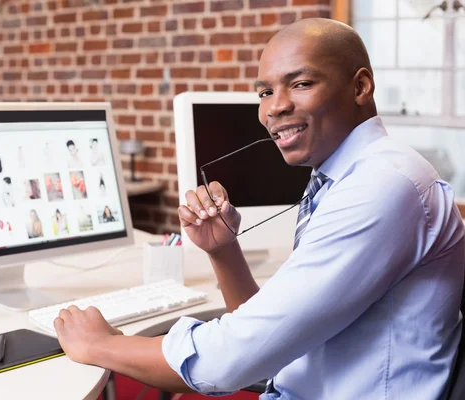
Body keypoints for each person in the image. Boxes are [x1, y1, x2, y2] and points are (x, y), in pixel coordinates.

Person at [51, 18, 465, 400]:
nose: (274, 107)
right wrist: (223, 250)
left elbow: (227, 362)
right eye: (265, 91)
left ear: (360, 87)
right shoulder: (347, 175)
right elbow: (273, 341)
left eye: (300, 83)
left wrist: (102, 344)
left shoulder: (382, 186)